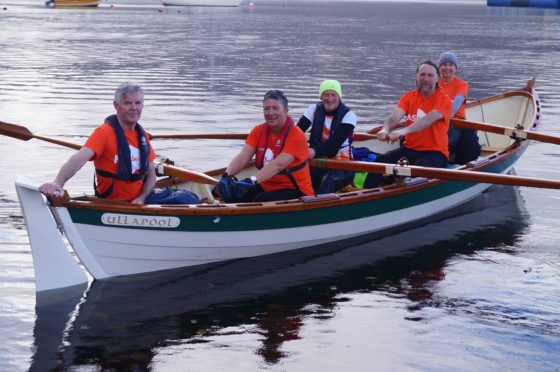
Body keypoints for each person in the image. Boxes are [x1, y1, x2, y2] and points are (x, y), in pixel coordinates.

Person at [39, 83, 199, 205]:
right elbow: (78, 159)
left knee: (190, 197)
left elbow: (151, 176)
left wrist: (141, 198)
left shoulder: (142, 135)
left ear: (143, 105)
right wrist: (57, 183)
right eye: (127, 103)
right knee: (190, 199)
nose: (133, 108)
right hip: (114, 203)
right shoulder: (104, 133)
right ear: (116, 105)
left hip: (141, 202)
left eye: (138, 103)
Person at [363, 60, 453, 188]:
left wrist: (402, 132)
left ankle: (397, 193)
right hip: (410, 149)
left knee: (416, 170)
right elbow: (395, 116)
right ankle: (366, 194)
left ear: (437, 78)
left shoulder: (445, 100)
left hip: (436, 153)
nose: (425, 79)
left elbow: (427, 120)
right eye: (422, 75)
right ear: (417, 76)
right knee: (380, 161)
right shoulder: (409, 97)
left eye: (430, 75)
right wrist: (385, 129)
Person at [218, 90, 314, 203]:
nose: (270, 113)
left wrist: (251, 181)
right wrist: (226, 175)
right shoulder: (258, 130)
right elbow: (243, 156)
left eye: (275, 108)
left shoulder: (296, 135)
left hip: (296, 190)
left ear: (286, 111)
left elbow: (277, 165)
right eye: (266, 108)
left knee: (260, 200)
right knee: (230, 193)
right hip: (266, 184)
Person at [296, 79, 358, 194]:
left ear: (339, 97)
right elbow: (297, 131)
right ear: (321, 97)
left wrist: (314, 151)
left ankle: (316, 208)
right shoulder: (313, 109)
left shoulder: (349, 116)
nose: (330, 99)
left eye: (333, 94)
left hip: (342, 164)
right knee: (295, 178)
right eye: (326, 94)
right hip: (317, 161)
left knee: (326, 184)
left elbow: (334, 144)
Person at [438, 51, 480, 164]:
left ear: (455, 68)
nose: (447, 68)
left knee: (449, 142)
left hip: (456, 123)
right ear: (439, 67)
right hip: (435, 121)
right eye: (444, 64)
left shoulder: (462, 84)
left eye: (451, 65)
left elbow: (455, 105)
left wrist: (443, 118)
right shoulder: (433, 82)